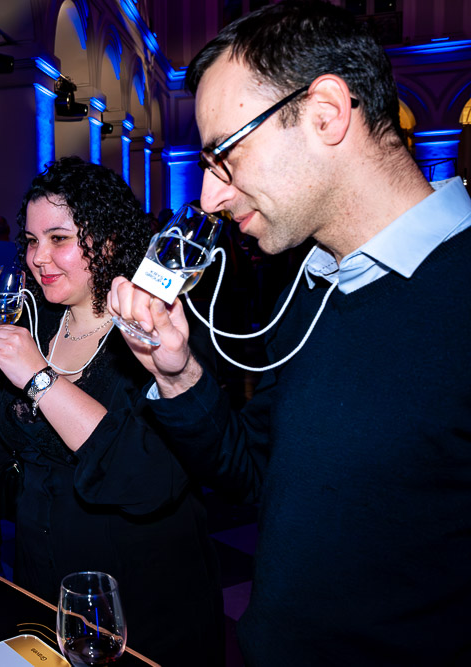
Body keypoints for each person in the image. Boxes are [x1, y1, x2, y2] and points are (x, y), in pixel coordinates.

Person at [108, 2, 471, 664]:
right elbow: (260, 478)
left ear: (326, 113)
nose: (210, 197)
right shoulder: (303, 284)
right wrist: (176, 371)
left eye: (224, 156)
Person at [0, 157, 224, 667]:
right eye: (32, 241)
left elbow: (144, 477)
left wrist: (40, 379)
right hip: (43, 589)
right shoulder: (37, 326)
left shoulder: (157, 336)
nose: (39, 258)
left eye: (59, 239)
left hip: (142, 599)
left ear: (107, 240)